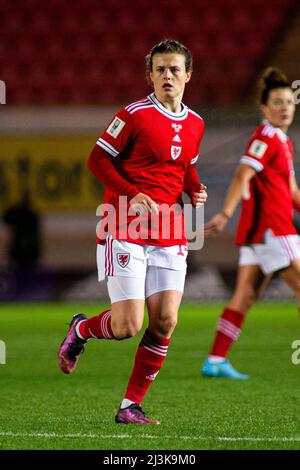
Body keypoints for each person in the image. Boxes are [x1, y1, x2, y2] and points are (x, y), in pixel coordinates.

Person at [58, 39, 207, 423]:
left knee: (166, 321)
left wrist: (194, 187)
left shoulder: (195, 123)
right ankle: (81, 329)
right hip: (124, 223)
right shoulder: (134, 115)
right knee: (127, 325)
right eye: (159, 70)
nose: (167, 76)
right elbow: (97, 160)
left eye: (174, 69)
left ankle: (130, 407)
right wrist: (133, 193)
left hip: (169, 230)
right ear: (150, 76)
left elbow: (184, 165)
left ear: (188, 75)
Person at [202, 67, 300, 379]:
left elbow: (292, 190)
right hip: (273, 229)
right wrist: (226, 214)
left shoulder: (282, 141)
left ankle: (215, 360)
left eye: (289, 101)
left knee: (244, 296)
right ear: (264, 108)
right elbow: (243, 174)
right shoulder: (265, 137)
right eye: (278, 102)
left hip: (259, 234)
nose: (284, 107)